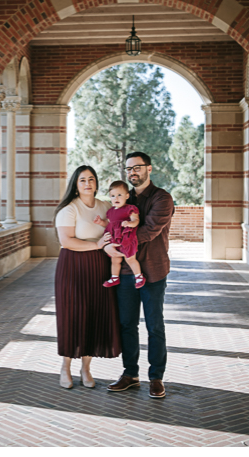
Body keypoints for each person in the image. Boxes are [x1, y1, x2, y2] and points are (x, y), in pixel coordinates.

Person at [100, 151, 173, 398]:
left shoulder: (162, 198)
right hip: (126, 273)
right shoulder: (121, 199)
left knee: (154, 326)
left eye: (137, 167)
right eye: (129, 169)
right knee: (127, 325)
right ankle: (130, 374)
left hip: (152, 271)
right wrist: (105, 243)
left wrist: (118, 242)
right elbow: (108, 226)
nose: (133, 172)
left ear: (149, 169)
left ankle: (156, 377)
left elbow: (149, 231)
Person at [54, 165, 121, 390]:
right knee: (72, 315)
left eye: (91, 179)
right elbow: (66, 241)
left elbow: (117, 227)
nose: (87, 183)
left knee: (94, 314)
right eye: (82, 180)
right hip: (73, 267)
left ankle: (86, 368)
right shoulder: (69, 209)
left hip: (99, 266)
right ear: (76, 184)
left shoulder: (105, 206)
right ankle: (65, 367)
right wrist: (95, 245)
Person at [93, 179, 145, 289]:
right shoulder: (111, 211)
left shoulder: (130, 209)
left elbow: (136, 221)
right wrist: (101, 222)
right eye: (112, 196)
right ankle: (114, 277)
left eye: (119, 195)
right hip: (115, 240)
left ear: (127, 196)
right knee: (115, 259)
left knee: (130, 258)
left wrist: (130, 223)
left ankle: (139, 276)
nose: (115, 198)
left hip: (127, 239)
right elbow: (110, 224)